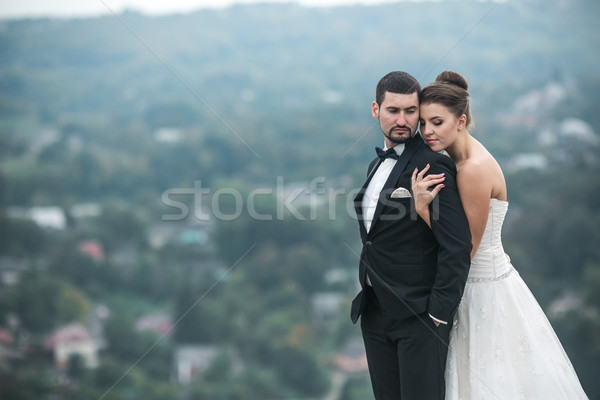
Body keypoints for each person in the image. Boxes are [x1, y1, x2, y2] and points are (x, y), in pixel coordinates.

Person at [411, 70, 589, 399]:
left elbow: (466, 248)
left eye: (437, 122)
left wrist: (422, 210)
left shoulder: (473, 170)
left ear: (461, 120)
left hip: (483, 291)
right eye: (423, 123)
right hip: (475, 285)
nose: (427, 131)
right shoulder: (454, 159)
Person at [350, 71, 472, 400]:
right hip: (375, 313)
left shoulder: (433, 165)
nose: (402, 120)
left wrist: (437, 314)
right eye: (393, 111)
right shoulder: (376, 166)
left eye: (410, 111)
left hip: (419, 317)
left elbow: (457, 246)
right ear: (376, 110)